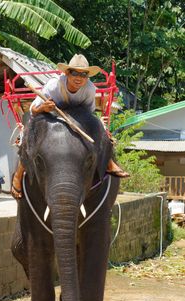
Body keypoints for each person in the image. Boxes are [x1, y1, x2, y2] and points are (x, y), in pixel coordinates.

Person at [11, 54, 129, 199]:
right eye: (74, 73)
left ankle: (108, 162)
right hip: (50, 118)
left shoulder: (90, 89)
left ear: (87, 77)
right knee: (29, 136)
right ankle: (18, 174)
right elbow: (33, 111)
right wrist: (44, 107)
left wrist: (86, 123)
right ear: (67, 73)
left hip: (76, 119)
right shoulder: (54, 85)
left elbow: (89, 113)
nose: (79, 78)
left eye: (84, 74)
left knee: (99, 128)